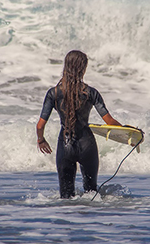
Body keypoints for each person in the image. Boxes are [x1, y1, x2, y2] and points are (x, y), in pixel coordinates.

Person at [36, 50, 121, 199]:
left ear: (66, 66)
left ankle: (69, 221)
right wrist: (128, 131)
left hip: (65, 145)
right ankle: (87, 221)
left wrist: (41, 140)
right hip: (88, 145)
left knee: (66, 197)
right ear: (83, 68)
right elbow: (109, 121)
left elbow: (40, 126)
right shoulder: (91, 92)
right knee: (91, 194)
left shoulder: (53, 93)